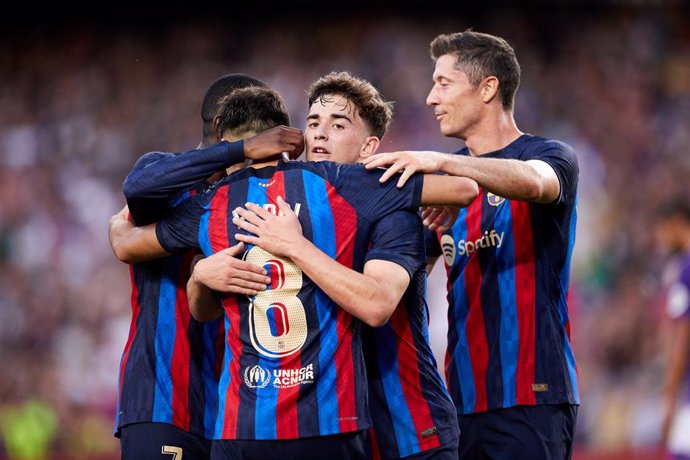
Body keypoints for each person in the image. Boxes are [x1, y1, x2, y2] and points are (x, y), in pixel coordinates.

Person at [110, 84, 477, 459]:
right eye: (314, 121)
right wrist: (200, 274)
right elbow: (134, 248)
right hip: (301, 419)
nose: (319, 132)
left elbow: (378, 304)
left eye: (337, 125)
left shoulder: (383, 204)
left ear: (369, 146)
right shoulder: (311, 191)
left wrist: (295, 246)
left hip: (406, 428)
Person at [363, 30, 580, 459]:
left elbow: (536, 183)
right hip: (459, 403)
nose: (430, 97)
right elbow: (403, 280)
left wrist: (442, 161)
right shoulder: (446, 191)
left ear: (487, 88)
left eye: (443, 83)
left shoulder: (549, 155)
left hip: (530, 398)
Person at [108, 73, 304, 460]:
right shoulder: (168, 179)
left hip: (234, 411)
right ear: (222, 126)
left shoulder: (262, 196)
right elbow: (138, 187)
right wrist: (241, 149)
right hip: (162, 404)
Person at [655, 196, 690, 460]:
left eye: (663, 230)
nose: (660, 239)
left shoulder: (685, 269)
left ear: (678, 224)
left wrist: (669, 396)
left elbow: (683, 335)